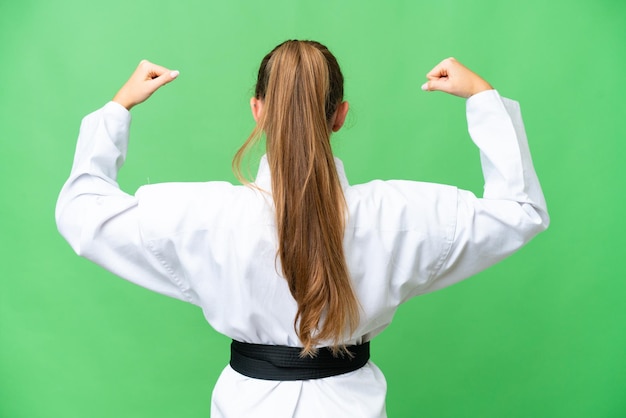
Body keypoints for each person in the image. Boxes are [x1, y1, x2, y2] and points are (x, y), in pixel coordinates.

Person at [56, 40, 549, 417]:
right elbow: (519, 210)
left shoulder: (204, 215)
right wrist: (483, 98)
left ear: (257, 110)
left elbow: (81, 213)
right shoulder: (398, 213)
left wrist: (117, 109)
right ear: (339, 117)